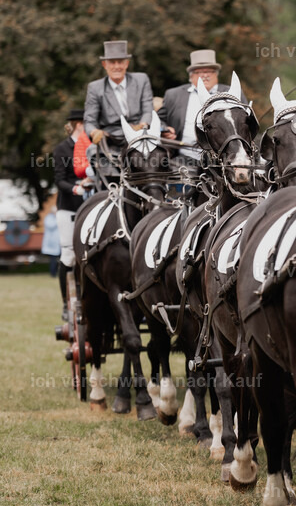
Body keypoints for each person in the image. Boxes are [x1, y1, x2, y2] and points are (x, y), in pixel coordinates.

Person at [84, 40, 154, 181]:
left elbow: (148, 109)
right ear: (105, 65)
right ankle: (110, 191)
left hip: (140, 134)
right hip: (112, 138)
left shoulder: (141, 80)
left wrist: (143, 125)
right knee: (94, 154)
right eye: (112, 62)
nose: (117, 66)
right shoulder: (95, 88)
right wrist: (94, 132)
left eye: (120, 62)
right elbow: (89, 120)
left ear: (126, 63)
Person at [53, 109, 93, 318]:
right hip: (69, 206)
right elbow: (59, 179)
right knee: (68, 255)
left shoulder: (93, 147)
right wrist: (77, 188)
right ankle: (64, 302)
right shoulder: (62, 149)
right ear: (79, 125)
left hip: (92, 206)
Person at [158, 49, 231, 158]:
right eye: (200, 72)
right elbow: (158, 119)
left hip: (224, 159)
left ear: (216, 74)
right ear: (191, 76)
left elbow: (246, 121)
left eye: (210, 71)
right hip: (181, 156)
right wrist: (163, 129)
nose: (205, 75)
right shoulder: (174, 95)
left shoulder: (230, 93)